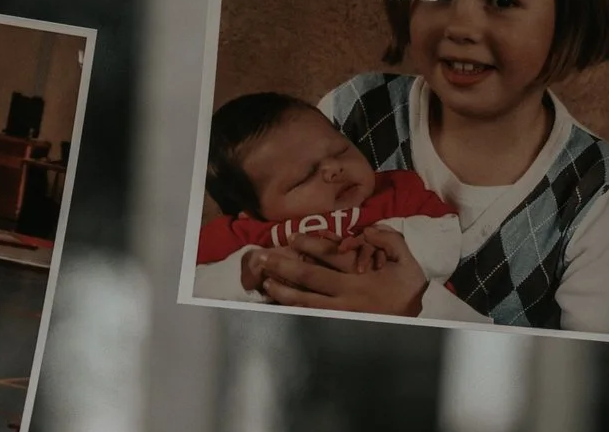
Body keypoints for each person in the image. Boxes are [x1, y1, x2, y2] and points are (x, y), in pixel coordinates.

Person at [240, 0, 609, 334]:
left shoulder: (601, 188)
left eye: (501, 0)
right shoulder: (353, 112)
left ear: (568, 18)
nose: (460, 26)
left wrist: (415, 306)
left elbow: (585, 359)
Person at [193, 91, 462, 301]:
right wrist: (248, 268)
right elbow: (190, 283)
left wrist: (389, 241)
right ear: (250, 212)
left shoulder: (394, 190)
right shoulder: (240, 234)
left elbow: (446, 239)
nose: (334, 170)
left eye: (340, 150)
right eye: (304, 176)